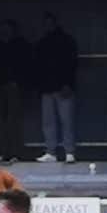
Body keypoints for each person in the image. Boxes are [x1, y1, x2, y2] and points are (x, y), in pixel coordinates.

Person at [34, 13, 78, 164]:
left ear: (55, 23)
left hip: (63, 87)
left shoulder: (66, 41)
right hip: (47, 88)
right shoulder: (42, 43)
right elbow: (38, 67)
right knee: (49, 122)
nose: (47, 26)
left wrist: (68, 84)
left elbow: (72, 64)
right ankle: (51, 151)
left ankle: (69, 151)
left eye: (49, 23)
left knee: (66, 120)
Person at [0, 19, 31, 164]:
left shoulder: (21, 45)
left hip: (14, 87)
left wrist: (19, 83)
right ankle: (2, 152)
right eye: (3, 29)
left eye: (8, 29)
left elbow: (25, 66)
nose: (5, 32)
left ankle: (15, 153)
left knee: (13, 121)